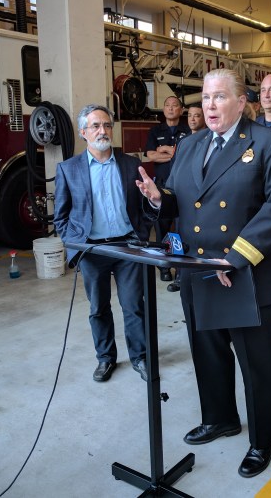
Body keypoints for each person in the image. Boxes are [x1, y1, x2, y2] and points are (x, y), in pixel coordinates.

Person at [136, 68, 271, 478]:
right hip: (199, 270)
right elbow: (181, 197)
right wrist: (159, 198)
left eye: (220, 97)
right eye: (206, 98)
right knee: (207, 353)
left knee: (256, 363)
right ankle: (220, 417)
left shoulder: (267, 141)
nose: (210, 105)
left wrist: (238, 258)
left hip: (244, 272)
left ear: (242, 103)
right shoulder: (189, 145)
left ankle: (263, 440)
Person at [54, 104, 150, 383]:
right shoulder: (69, 169)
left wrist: (141, 234)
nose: (102, 130)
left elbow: (145, 206)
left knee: (133, 305)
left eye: (107, 125)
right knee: (98, 308)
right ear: (83, 132)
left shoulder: (131, 165)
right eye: (95, 126)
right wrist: (77, 246)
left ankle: (140, 357)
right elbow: (60, 217)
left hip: (127, 247)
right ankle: (105, 358)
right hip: (93, 250)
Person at [145, 95, 190, 282]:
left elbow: (186, 156)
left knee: (181, 227)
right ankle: (163, 266)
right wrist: (173, 154)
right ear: (163, 109)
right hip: (162, 186)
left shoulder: (188, 130)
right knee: (161, 227)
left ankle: (181, 269)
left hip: (184, 187)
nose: (171, 108)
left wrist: (164, 149)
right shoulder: (156, 130)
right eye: (167, 105)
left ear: (181, 109)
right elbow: (151, 156)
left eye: (175, 105)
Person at [166, 103, 207, 293]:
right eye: (190, 115)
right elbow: (175, 171)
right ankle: (180, 276)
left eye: (197, 115)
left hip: (199, 202)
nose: (192, 119)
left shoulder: (210, 140)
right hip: (181, 200)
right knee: (179, 238)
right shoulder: (183, 142)